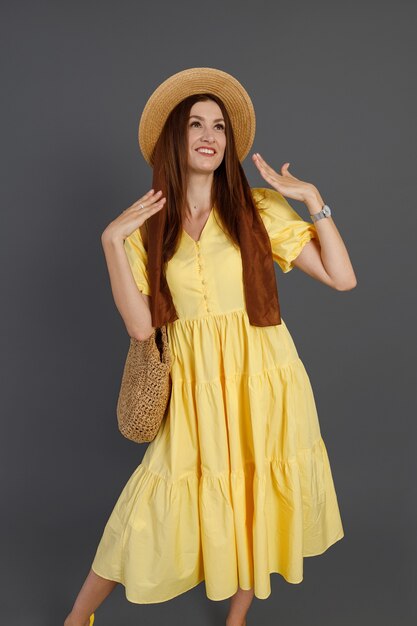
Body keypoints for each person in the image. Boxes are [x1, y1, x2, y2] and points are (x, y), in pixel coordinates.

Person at [64, 67, 356, 626]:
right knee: (151, 498)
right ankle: (77, 619)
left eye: (218, 126)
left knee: (252, 490)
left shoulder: (259, 208)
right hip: (195, 386)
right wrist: (110, 240)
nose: (209, 134)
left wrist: (311, 196)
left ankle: (236, 618)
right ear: (176, 138)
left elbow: (342, 278)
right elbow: (141, 326)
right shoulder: (147, 223)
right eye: (196, 123)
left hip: (265, 375)